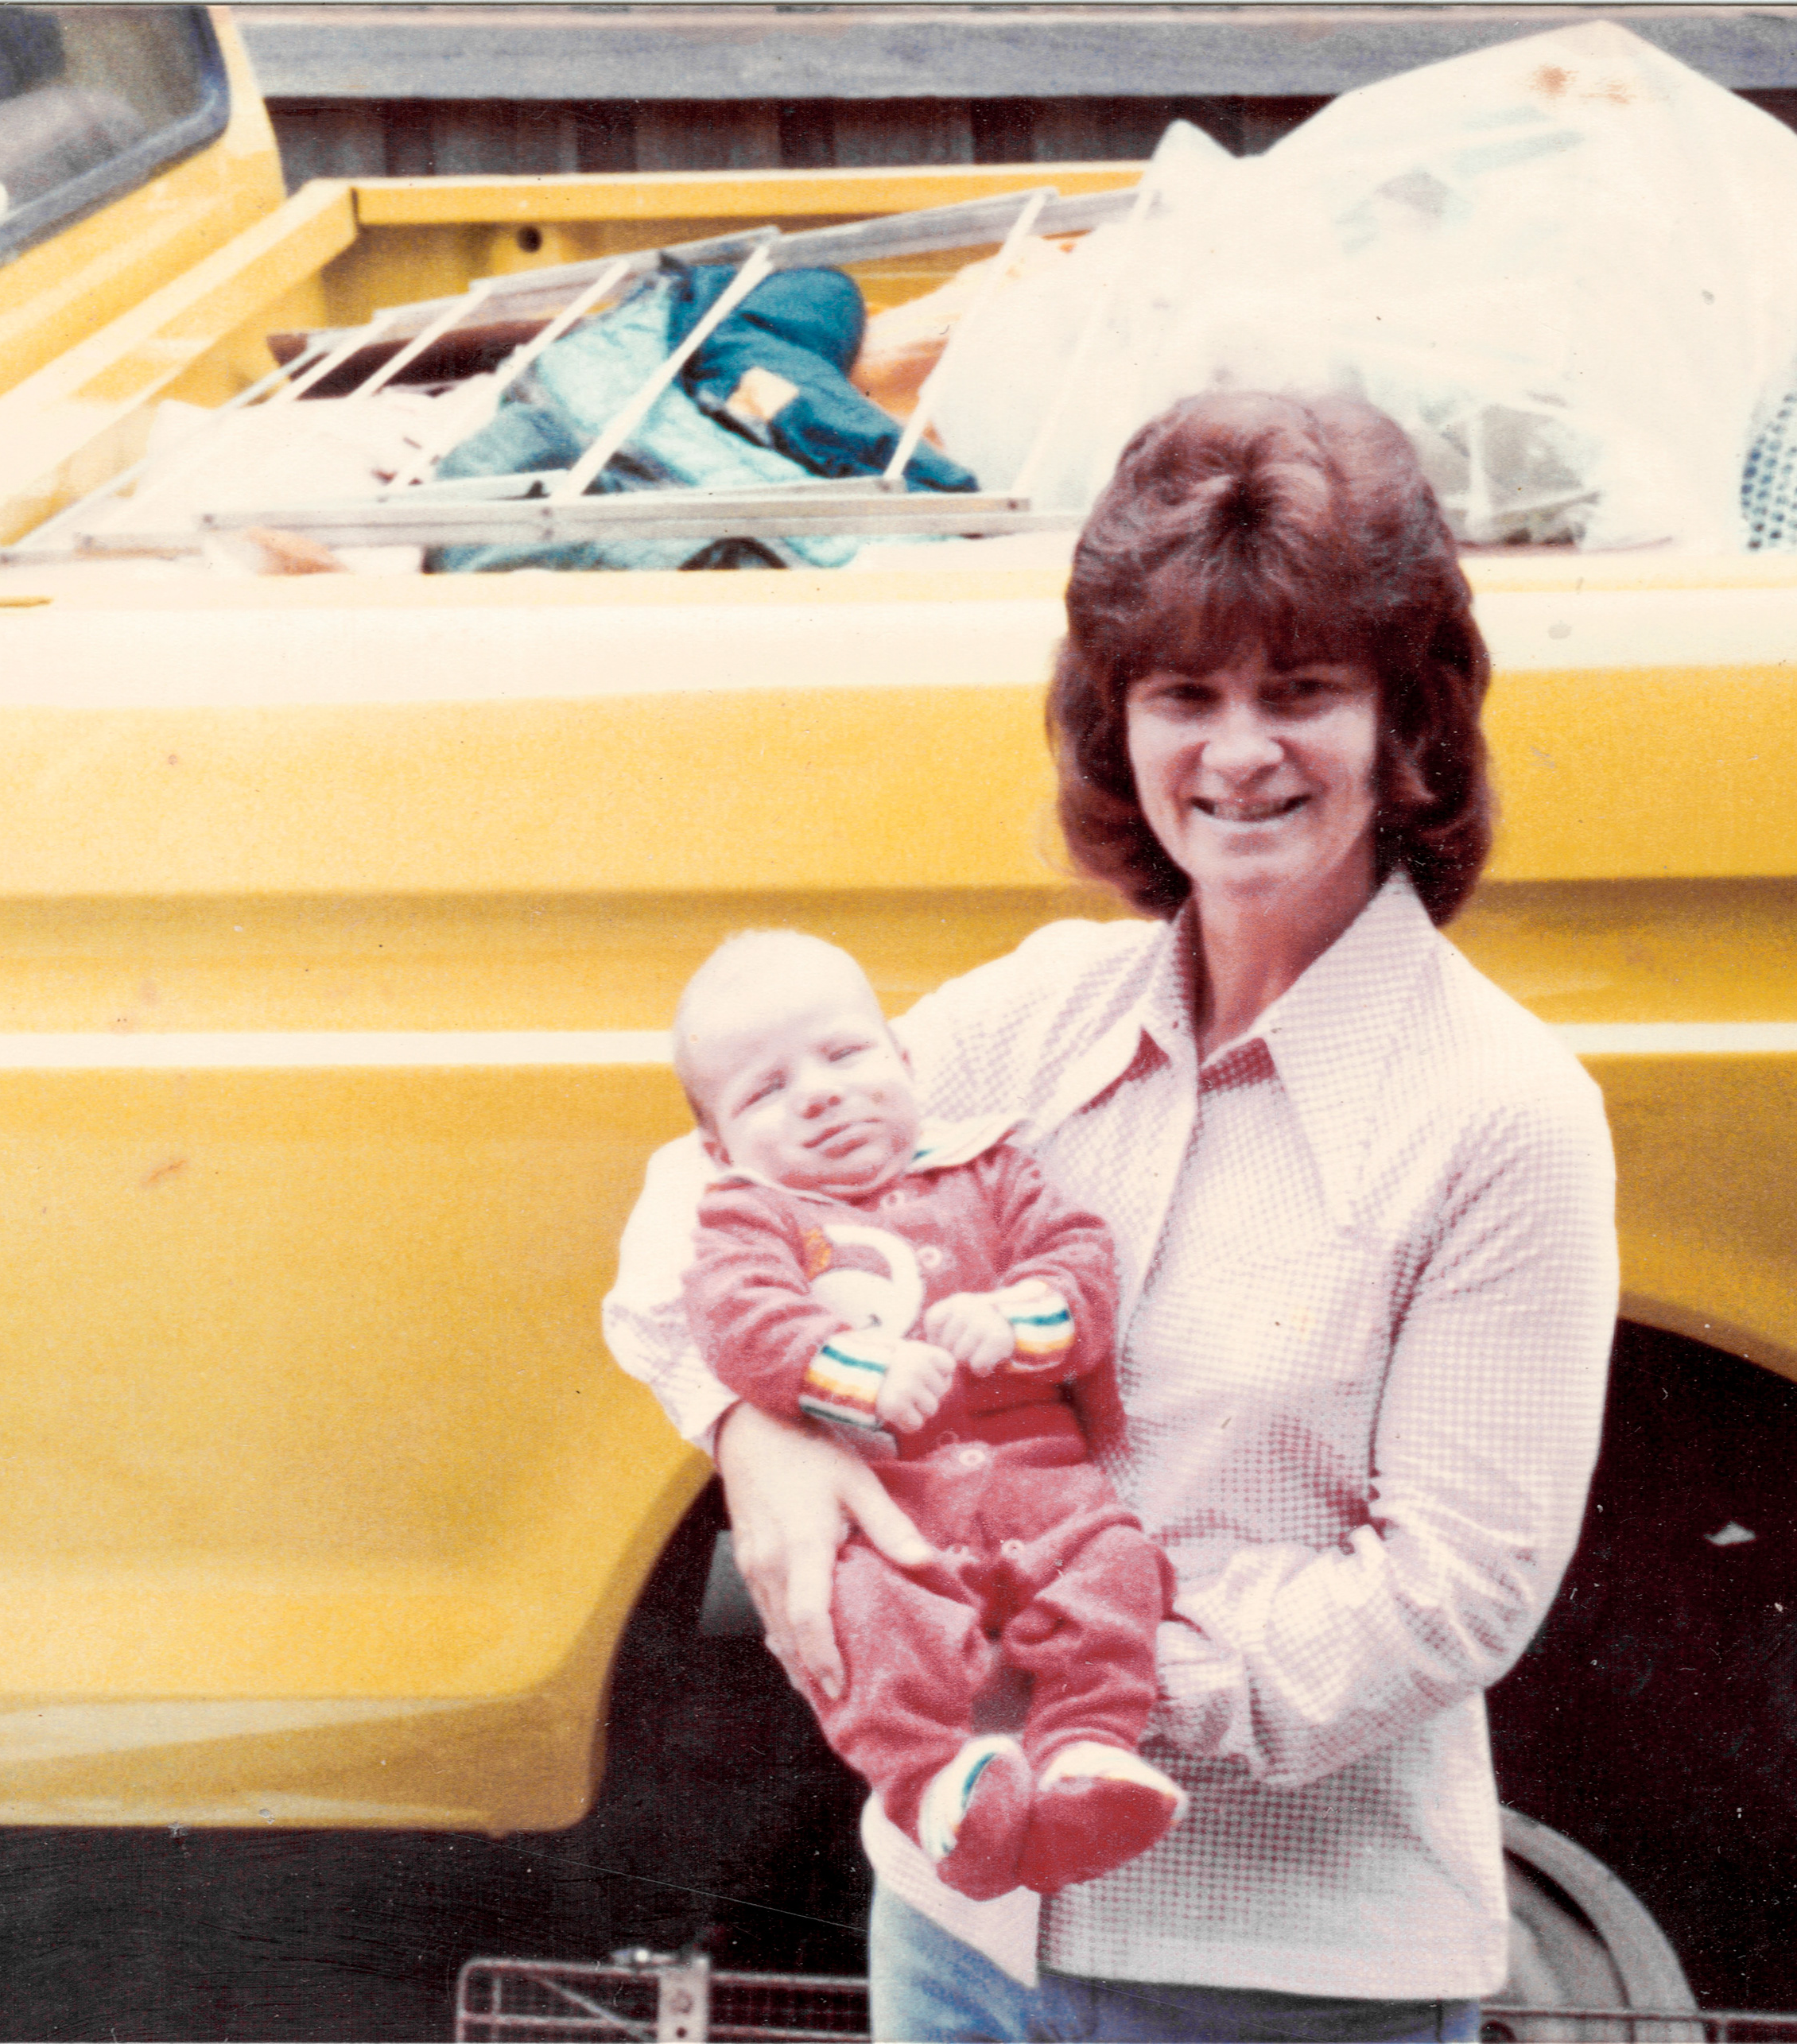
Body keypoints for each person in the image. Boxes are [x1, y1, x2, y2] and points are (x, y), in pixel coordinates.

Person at [606, 389, 1620, 2043]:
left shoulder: (1504, 1114)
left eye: (1303, 690)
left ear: (1409, 724)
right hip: (953, 1935)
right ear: (1116, 725)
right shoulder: (1045, 1010)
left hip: (1275, 1980)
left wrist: (1067, 1684)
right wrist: (756, 1428)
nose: (1238, 751)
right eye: (1183, 695)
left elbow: (1456, 1588)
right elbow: (700, 1197)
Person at [670, 928, 1184, 1902]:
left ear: (905, 1062)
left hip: (1047, 1493)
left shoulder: (991, 1170)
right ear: (717, 1148)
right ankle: (935, 1783)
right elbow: (737, 1313)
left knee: (1115, 1568)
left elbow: (1078, 1257)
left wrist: (1019, 1318)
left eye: (845, 1054)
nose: (819, 1094)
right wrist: (848, 1369)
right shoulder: (753, 1216)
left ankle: (1086, 1747)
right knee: (863, 1618)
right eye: (766, 1090)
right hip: (893, 1516)